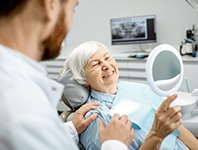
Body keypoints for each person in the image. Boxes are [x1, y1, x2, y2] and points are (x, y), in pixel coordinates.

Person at [0, 0, 134, 150]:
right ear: (50, 5)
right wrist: (114, 145)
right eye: (73, 9)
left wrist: (72, 128)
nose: (105, 65)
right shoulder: (18, 103)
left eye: (107, 58)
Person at [62, 41, 198, 150]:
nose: (106, 65)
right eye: (95, 64)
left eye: (107, 58)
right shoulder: (94, 118)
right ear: (83, 79)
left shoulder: (138, 88)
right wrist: (156, 134)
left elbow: (178, 128)